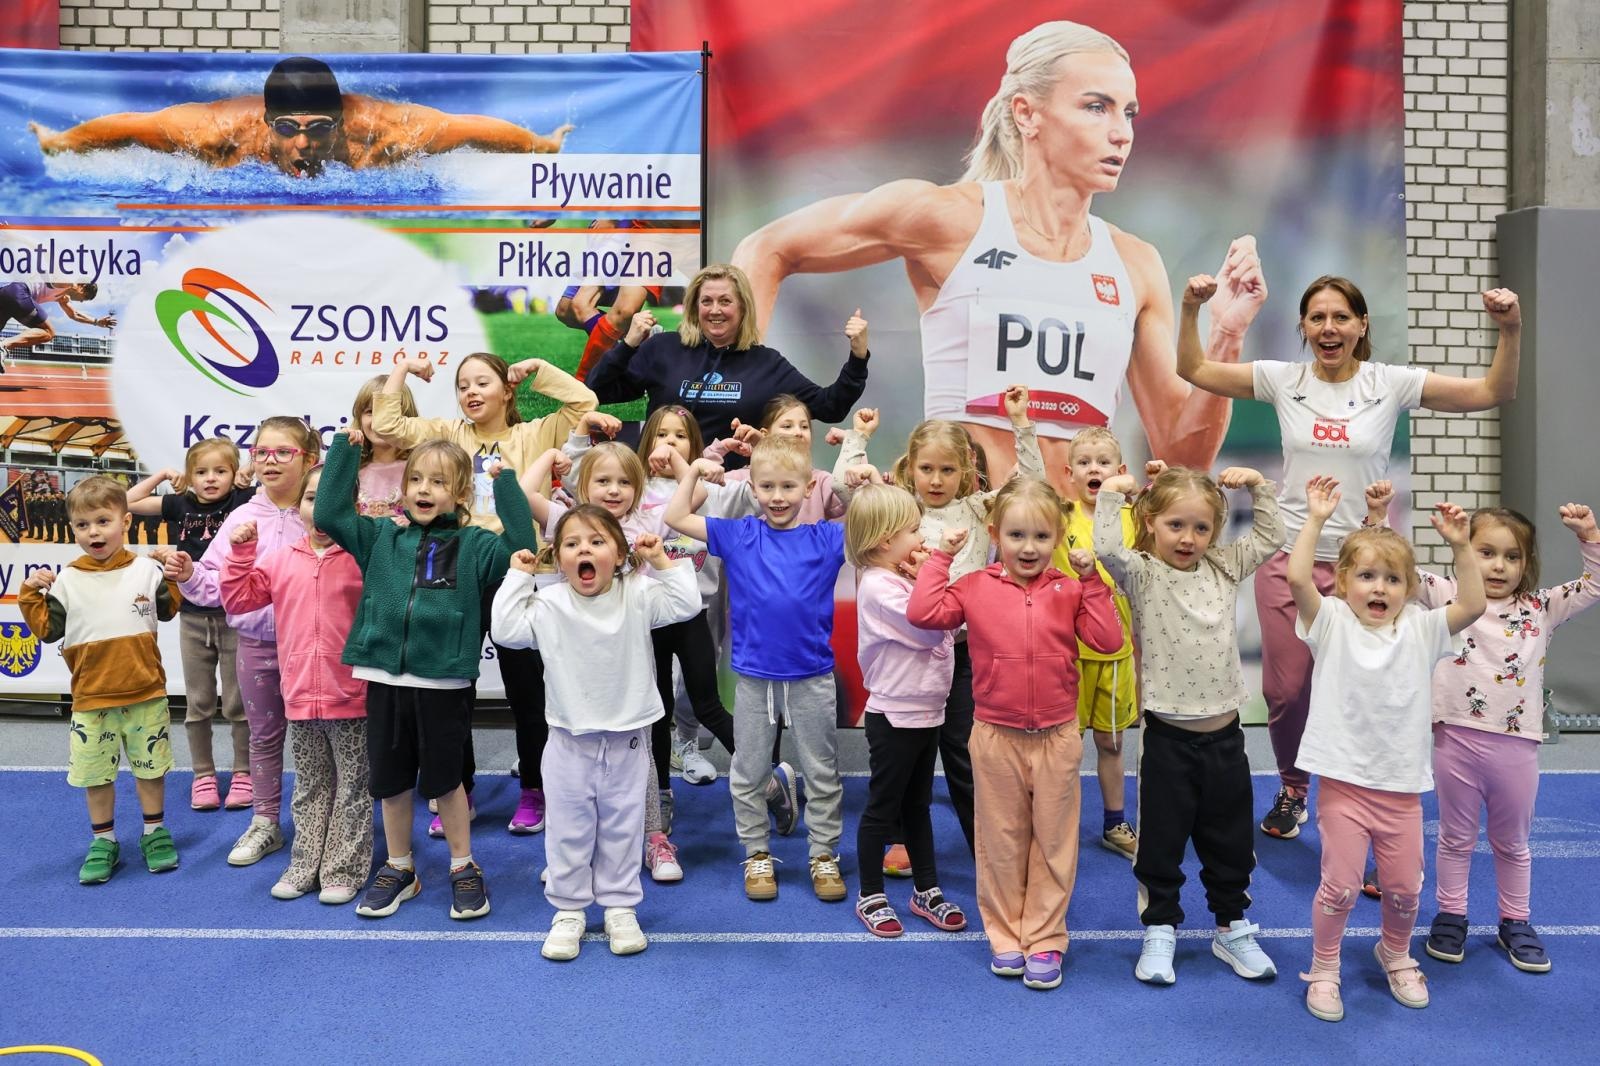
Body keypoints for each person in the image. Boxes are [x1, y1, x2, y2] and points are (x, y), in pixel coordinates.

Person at [730, 21, 1268, 491]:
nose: (1121, 133)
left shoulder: (1135, 263)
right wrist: (733, 416)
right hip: (963, 542)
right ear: (1027, 114)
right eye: (1096, 107)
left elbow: (1182, 456)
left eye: (1128, 112)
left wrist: (1225, 334)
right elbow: (766, 248)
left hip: (1078, 551)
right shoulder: (950, 219)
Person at [1175, 273, 1522, 839]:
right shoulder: (1283, 379)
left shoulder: (1391, 383)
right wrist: (1191, 308)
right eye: (1317, 318)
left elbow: (1491, 392)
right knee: (1286, 691)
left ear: (1362, 325)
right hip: (1290, 558)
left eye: (1340, 317)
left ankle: (1364, 791)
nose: (1328, 327)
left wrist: (1510, 329)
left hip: (1366, 569)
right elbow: (1193, 369)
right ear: (1304, 326)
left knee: (1369, 689)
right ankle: (1293, 789)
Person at [907, 476, 1121, 990]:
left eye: (1042, 537)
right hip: (995, 737)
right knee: (1000, 841)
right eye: (1017, 535)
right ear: (994, 534)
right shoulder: (974, 587)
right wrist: (940, 559)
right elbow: (923, 613)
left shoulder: (1070, 589)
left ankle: (1045, 937)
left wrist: (1093, 581)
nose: (1029, 547)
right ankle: (1004, 935)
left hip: (1057, 736)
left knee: (1053, 841)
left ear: (1059, 537)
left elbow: (1108, 639)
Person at [375, 350, 596, 837]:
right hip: (458, 570)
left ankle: (534, 789)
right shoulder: (449, 434)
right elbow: (388, 424)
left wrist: (539, 369)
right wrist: (403, 370)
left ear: (507, 391)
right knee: (455, 687)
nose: (470, 393)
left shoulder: (533, 433)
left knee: (526, 688)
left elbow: (584, 404)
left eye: (481, 383)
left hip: (518, 571)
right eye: (462, 386)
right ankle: (459, 789)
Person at [315, 434, 535, 920]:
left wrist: (506, 485)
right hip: (384, 678)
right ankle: (399, 867)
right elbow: (328, 514)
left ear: (461, 494)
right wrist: (345, 452)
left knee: (446, 781)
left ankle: (462, 864)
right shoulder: (380, 537)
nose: (423, 489)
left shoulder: (476, 545)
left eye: (438, 481)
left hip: (444, 683)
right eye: (415, 478)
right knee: (391, 782)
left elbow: (523, 547)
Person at [1289, 477, 1485, 1023]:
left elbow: (1473, 603)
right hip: (1344, 786)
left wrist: (1461, 545)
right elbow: (1297, 577)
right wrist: (1315, 520)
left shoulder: (1421, 629)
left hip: (1401, 789)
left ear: (1409, 588)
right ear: (1343, 582)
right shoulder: (1331, 621)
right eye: (1367, 576)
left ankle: (1395, 953)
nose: (1380, 588)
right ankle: (1324, 967)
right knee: (1340, 887)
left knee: (1402, 889)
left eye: (1394, 579)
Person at [834, 386, 1044, 861]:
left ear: (966, 470)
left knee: (964, 753)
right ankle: (901, 838)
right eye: (926, 468)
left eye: (947, 470)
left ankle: (986, 848)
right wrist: (858, 440)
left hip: (964, 652)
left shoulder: (978, 509)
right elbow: (847, 491)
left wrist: (1021, 425)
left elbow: (1031, 488)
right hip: (907, 656)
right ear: (910, 466)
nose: (935, 479)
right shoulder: (900, 507)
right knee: (907, 754)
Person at [1093, 465, 1284, 985]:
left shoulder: (1224, 566)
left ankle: (1231, 926)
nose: (1188, 538)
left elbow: (1271, 536)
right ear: (1151, 523)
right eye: (1175, 525)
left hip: (1226, 738)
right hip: (1167, 740)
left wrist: (1258, 488)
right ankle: (1160, 927)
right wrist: (1110, 494)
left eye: (1201, 528)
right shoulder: (1142, 573)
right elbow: (1106, 548)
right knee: (1161, 840)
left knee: (1230, 840)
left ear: (1215, 532)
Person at [491, 508, 699, 960]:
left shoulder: (638, 592)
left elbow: (685, 604)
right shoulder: (548, 603)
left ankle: (620, 907)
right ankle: (568, 910)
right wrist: (518, 577)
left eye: (597, 541)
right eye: (572, 544)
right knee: (568, 831)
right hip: (568, 742)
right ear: (558, 558)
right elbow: (505, 632)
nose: (583, 549)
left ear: (620, 555)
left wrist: (660, 560)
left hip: (628, 741)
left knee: (623, 828)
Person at [1408, 501, 1600, 974]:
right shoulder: (1447, 595)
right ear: (1465, 552)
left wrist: (1589, 536)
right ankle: (1451, 914)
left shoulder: (1540, 608)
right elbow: (1395, 568)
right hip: (1455, 739)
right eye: (1486, 552)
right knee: (1454, 838)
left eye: (1512, 556)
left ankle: (1515, 921)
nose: (1498, 566)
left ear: (1526, 563)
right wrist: (1376, 515)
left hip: (1516, 746)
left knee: (1512, 842)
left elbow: (1594, 584)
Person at [663, 435, 849, 903]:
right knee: (747, 771)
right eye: (767, 487)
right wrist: (694, 470)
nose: (778, 497)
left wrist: (858, 483)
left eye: (789, 486)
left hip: (812, 677)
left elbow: (882, 520)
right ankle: (757, 852)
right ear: (752, 488)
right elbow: (675, 517)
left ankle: (823, 854)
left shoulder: (827, 537)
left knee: (822, 771)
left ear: (810, 487)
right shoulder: (741, 533)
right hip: (754, 680)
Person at [168, 417, 320, 867]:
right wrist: (190, 573)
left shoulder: (323, 515)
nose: (270, 461)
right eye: (261, 452)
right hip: (255, 644)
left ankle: (317, 825)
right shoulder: (242, 516)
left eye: (283, 452)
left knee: (316, 741)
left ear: (309, 460)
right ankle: (265, 822)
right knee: (264, 737)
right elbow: (217, 584)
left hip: (311, 648)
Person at [29, 56, 574, 180]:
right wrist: (62, 142)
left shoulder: (382, 132)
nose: (304, 145)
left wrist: (541, 145)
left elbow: (470, 130)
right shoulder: (219, 132)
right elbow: (130, 126)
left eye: (319, 129)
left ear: (340, 123)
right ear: (268, 123)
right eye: (289, 129)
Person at [220, 465, 371, 905]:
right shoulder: (281, 558)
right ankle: (304, 864)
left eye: (333, 500)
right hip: (300, 696)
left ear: (353, 508)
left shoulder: (363, 558)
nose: (320, 510)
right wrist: (241, 554)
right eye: (311, 498)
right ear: (298, 505)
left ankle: (343, 868)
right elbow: (240, 599)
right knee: (310, 787)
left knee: (353, 788)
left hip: (353, 698)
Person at [19, 475, 181, 883]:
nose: (93, 532)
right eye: (82, 524)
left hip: (147, 695)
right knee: (96, 777)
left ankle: (155, 832)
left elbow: (168, 610)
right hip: (91, 701)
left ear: (125, 522)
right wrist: (29, 594)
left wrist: (174, 573)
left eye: (103, 521)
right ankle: (104, 840)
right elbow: (47, 631)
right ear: (73, 529)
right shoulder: (67, 580)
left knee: (150, 770)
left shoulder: (147, 570)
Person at [585, 263, 871, 461]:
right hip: (661, 486)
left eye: (725, 301)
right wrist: (629, 344)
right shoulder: (663, 348)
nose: (715, 310)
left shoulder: (766, 363)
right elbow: (598, 391)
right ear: (695, 307)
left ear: (742, 307)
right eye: (706, 301)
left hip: (730, 493)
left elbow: (829, 406)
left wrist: (857, 357)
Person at [846, 483, 967, 938]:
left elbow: (945, 621)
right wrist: (938, 566)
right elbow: (932, 625)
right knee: (883, 807)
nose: (922, 538)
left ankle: (926, 889)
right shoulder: (879, 587)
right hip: (895, 716)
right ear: (885, 541)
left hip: (928, 711)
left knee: (918, 805)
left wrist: (924, 579)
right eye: (914, 530)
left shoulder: (900, 580)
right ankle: (870, 894)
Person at [129, 438, 254, 812]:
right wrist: (162, 476)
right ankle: (203, 775)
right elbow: (128, 502)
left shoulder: (243, 502)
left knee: (238, 702)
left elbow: (279, 491)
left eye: (220, 471)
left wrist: (251, 475)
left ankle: (244, 772)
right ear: (189, 476)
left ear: (234, 474)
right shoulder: (180, 503)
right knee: (199, 702)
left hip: (234, 617)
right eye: (201, 472)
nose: (210, 479)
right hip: (193, 619)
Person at [1050, 426, 1141, 859]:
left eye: (1103, 463)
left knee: (1111, 743)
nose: (1094, 470)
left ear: (1119, 472)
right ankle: (1058, 826)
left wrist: (1152, 483)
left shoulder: (1132, 518)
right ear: (1069, 473)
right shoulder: (1058, 516)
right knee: (1064, 749)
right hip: (1066, 655)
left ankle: (1114, 822)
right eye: (1084, 463)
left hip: (1116, 654)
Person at [347, 372, 415, 519]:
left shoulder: (419, 469)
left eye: (388, 413)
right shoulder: (351, 469)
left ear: (407, 417)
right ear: (360, 418)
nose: (379, 421)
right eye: (370, 412)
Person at [0, 281, 114, 363]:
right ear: (83, 288)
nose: (81, 301)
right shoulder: (65, 280)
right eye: (84, 297)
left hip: (4, 293)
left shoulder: (62, 296)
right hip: (19, 292)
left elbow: (74, 314)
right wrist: (72, 283)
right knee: (49, 332)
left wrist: (96, 321)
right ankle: (4, 345)